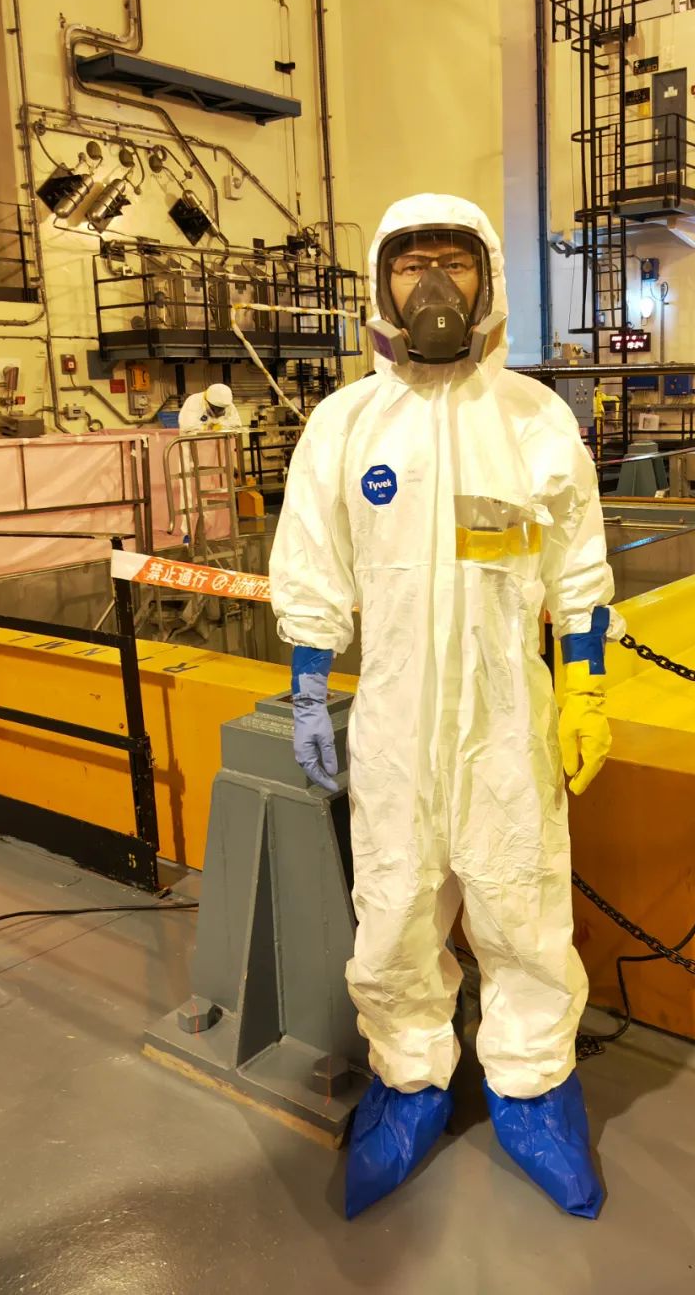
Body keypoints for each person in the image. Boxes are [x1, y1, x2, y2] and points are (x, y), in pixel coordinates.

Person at [269, 194, 622, 1220]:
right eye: (411, 262)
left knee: (522, 904)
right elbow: (312, 566)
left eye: (454, 262)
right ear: (383, 282)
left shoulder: (533, 419)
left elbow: (580, 569)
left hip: (509, 717)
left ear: (488, 276)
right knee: (393, 907)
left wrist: (587, 687)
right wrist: (307, 686)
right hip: (393, 722)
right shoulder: (345, 425)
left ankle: (535, 1087)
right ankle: (410, 1075)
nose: (433, 283)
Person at [177, 383, 242, 435]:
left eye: (222, 409)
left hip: (220, 442)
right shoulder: (193, 401)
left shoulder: (227, 404)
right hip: (194, 443)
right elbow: (187, 426)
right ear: (208, 402)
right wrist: (206, 427)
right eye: (217, 408)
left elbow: (236, 424)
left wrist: (220, 426)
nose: (220, 411)